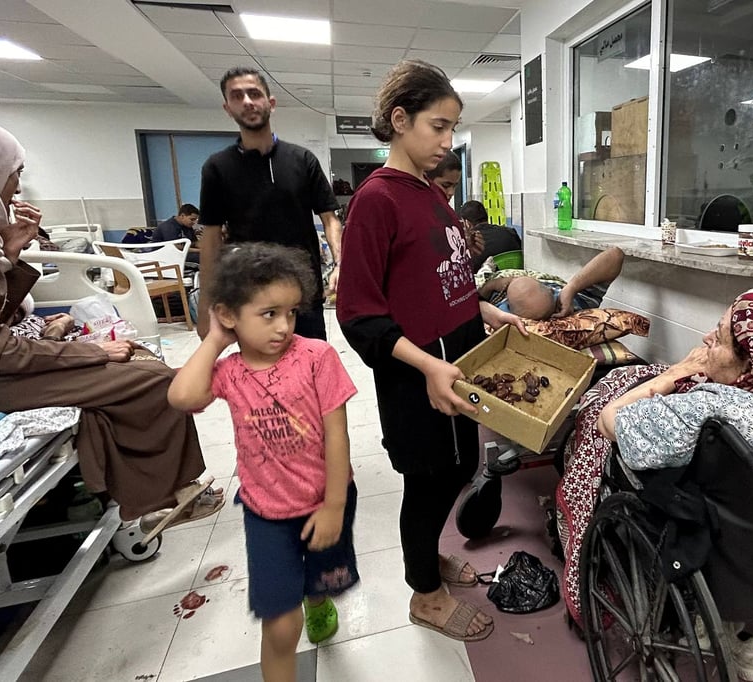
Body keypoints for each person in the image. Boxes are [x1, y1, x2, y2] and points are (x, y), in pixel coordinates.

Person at [0, 113, 221, 534]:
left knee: (135, 367)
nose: (16, 188)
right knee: (153, 379)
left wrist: (6, 255)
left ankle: (125, 490)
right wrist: (92, 351)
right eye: (15, 173)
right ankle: (157, 499)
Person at [556, 287, 753, 679]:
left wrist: (677, 371)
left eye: (720, 336)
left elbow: (610, 422)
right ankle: (743, 640)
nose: (707, 339)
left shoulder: (709, 411)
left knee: (603, 433)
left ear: (752, 367)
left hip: (714, 554)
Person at [337, 60, 527, 643]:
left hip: (457, 361)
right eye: (439, 127)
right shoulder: (377, 200)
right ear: (399, 120)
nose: (448, 143)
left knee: (459, 467)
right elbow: (359, 313)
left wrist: (486, 311)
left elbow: (443, 277)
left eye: (452, 130)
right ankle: (424, 593)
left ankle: (427, 560)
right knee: (427, 482)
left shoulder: (427, 193)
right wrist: (425, 365)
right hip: (419, 373)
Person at [168, 242, 359, 681]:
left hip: (325, 501)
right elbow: (182, 396)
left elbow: (336, 434)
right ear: (230, 314)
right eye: (268, 314)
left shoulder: (317, 357)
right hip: (266, 511)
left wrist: (332, 506)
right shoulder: (231, 371)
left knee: (319, 580)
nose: (284, 326)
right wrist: (216, 338)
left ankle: (317, 598)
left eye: (290, 312)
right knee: (280, 625)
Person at [198, 66, 343, 341]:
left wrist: (340, 264)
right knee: (262, 374)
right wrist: (207, 305)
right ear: (227, 108)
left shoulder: (302, 160)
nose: (248, 101)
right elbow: (212, 237)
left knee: (311, 366)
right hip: (251, 294)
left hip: (303, 291)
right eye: (237, 96)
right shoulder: (217, 167)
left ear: (271, 103)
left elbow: (330, 218)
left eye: (254, 93)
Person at [478, 246, 625, 320]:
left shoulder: (575, 304)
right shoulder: (576, 300)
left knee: (483, 273)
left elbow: (615, 255)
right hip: (502, 280)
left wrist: (571, 287)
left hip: (500, 282)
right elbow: (616, 254)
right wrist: (572, 288)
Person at [458, 200, 522, 273]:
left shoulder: (471, 243)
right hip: (514, 278)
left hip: (484, 282)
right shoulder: (510, 232)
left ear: (467, 223)